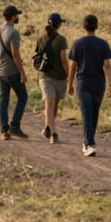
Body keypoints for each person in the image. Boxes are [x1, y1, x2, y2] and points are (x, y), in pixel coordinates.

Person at [68, 13, 111, 157]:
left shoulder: (78, 43)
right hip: (99, 83)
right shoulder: (103, 44)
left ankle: (90, 143)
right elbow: (107, 65)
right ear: (97, 27)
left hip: (83, 82)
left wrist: (69, 83)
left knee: (86, 113)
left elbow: (73, 66)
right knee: (94, 113)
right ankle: (88, 141)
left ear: (83, 26)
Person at [0, 4, 29, 140]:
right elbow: (15, 55)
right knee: (23, 97)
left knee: (4, 99)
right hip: (11, 70)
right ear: (13, 17)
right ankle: (15, 125)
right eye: (16, 15)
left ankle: (4, 130)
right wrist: (22, 73)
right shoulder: (13, 32)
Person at [36, 12, 69, 144]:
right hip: (58, 76)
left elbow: (37, 55)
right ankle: (53, 133)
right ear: (59, 25)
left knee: (51, 105)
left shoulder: (41, 39)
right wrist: (69, 75)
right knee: (52, 104)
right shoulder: (61, 40)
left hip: (45, 75)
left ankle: (48, 127)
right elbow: (63, 60)